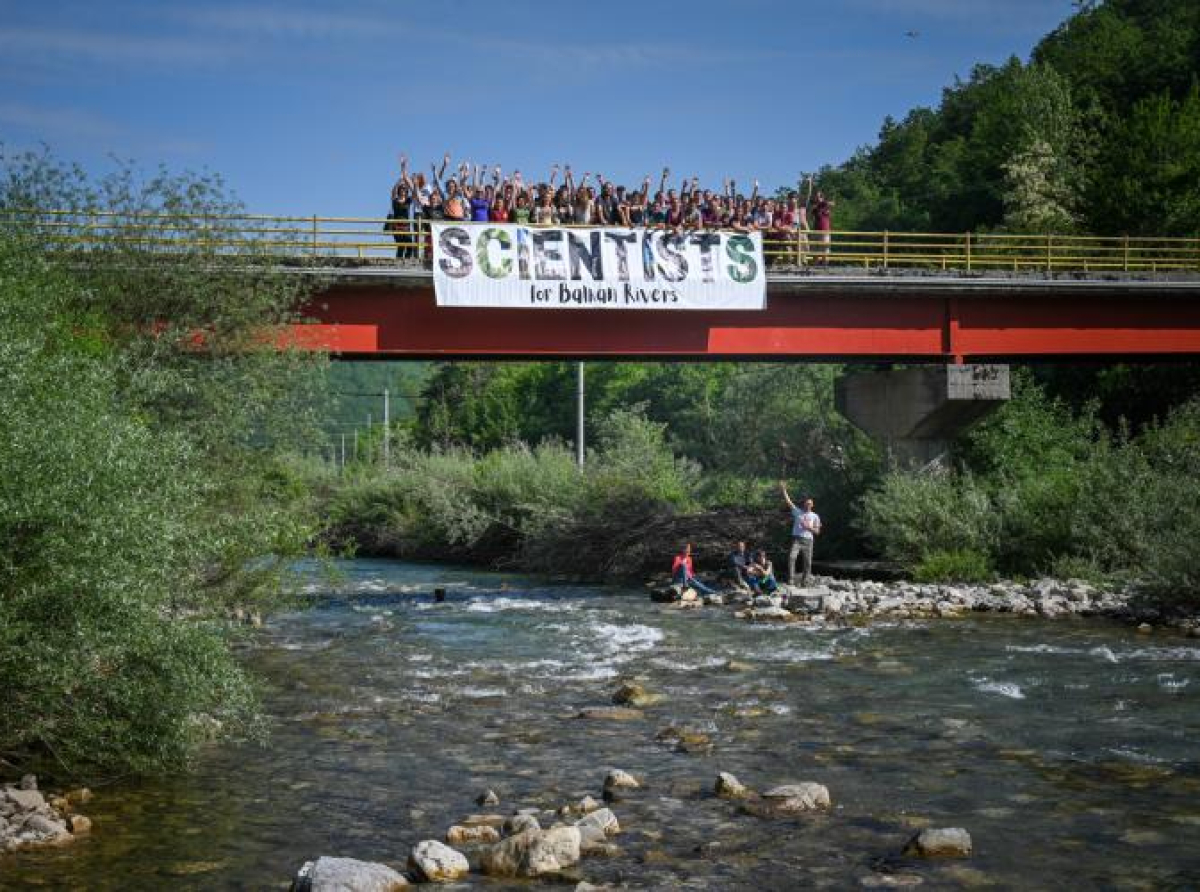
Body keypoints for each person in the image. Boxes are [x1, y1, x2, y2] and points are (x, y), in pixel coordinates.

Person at [781, 482, 821, 586]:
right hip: (797, 539)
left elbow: (817, 531)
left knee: (808, 562)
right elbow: (789, 502)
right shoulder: (798, 512)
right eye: (806, 503)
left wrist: (809, 527)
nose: (808, 505)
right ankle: (791, 579)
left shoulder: (815, 516)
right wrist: (784, 490)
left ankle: (805, 581)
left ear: (812, 505)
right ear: (804, 504)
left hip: (809, 540)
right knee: (791, 557)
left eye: (810, 504)